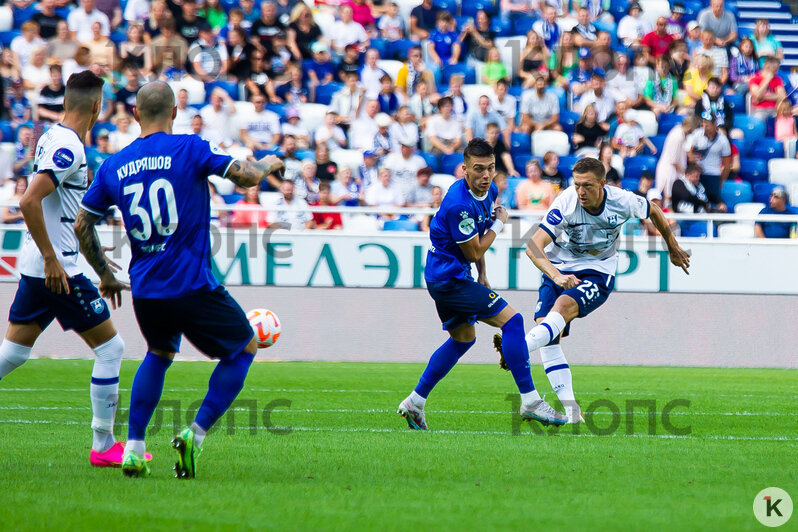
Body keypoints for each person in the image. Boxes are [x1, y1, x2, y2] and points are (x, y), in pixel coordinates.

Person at [75, 80, 286, 478]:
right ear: (174, 114)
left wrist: (105, 275)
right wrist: (270, 162)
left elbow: (83, 223)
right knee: (243, 348)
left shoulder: (113, 165)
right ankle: (195, 434)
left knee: (158, 353)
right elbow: (246, 177)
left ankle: (134, 449)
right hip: (191, 282)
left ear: (135, 115)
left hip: (147, 288)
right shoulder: (190, 147)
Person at [0, 71, 132, 468]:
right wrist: (53, 257)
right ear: (96, 106)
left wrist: (102, 271)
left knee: (13, 353)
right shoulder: (70, 149)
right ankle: (104, 444)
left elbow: (68, 219)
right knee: (112, 349)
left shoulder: (50, 137)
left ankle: (105, 443)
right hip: (58, 271)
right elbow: (28, 202)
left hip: (39, 267)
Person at [494, 157, 690, 423]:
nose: (581, 192)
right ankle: (573, 413)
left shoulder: (622, 200)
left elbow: (653, 210)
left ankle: (516, 349)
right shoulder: (566, 202)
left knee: (561, 309)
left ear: (602, 184)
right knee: (549, 335)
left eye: (587, 185)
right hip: (560, 268)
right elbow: (533, 246)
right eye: (576, 185)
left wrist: (672, 246)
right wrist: (557, 275)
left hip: (598, 271)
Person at [397, 138, 567, 431]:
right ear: (464, 169)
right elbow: (474, 249)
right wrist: (500, 224)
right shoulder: (457, 205)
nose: (486, 175)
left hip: (450, 276)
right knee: (513, 322)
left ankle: (415, 401)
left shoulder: (489, 192)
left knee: (463, 340)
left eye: (490, 168)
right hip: (449, 279)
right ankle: (530, 401)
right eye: (478, 169)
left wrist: (483, 275)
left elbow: (477, 242)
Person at [686, 112, 731, 206]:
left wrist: (720, 181)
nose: (705, 126)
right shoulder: (697, 134)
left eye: (708, 123)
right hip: (697, 174)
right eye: (704, 123)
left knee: (713, 201)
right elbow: (689, 153)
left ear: (715, 124)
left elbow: (727, 165)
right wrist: (694, 162)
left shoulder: (723, 140)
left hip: (713, 174)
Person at [655, 114, 700, 200]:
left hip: (673, 169)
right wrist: (685, 173)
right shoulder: (678, 137)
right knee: (668, 196)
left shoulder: (678, 130)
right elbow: (674, 160)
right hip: (670, 170)